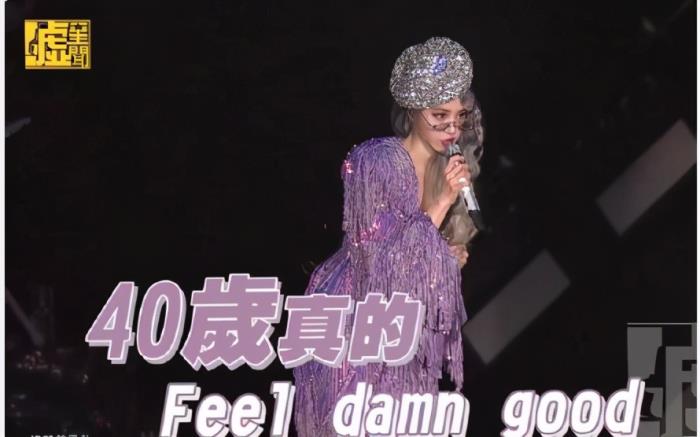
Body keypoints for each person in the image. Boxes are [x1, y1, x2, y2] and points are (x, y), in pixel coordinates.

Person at [292, 36, 484, 436]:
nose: (452, 128)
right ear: (414, 110)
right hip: (354, 319)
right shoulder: (376, 159)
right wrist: (442, 202)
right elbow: (379, 257)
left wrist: (445, 257)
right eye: (439, 115)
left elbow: (415, 261)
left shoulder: (440, 171)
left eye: (459, 117)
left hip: (396, 327)